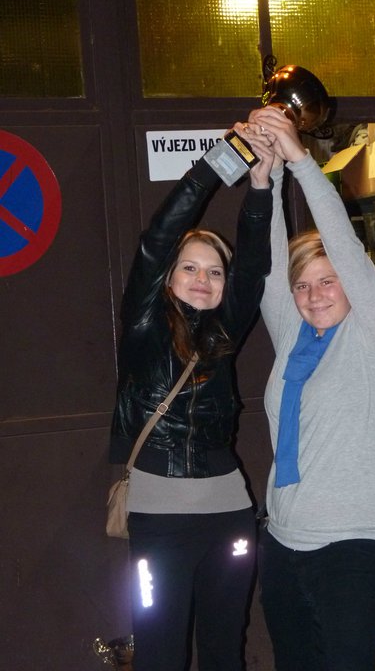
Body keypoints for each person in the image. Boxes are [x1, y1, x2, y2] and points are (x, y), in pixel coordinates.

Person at [243, 106, 375, 671]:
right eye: (304, 286)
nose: (314, 294)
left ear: (352, 282)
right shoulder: (295, 336)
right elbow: (268, 268)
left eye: (328, 281)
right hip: (284, 541)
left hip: (356, 545)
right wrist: (266, 178)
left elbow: (344, 245)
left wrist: (299, 160)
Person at [108, 127, 275, 671]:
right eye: (189, 267)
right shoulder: (143, 326)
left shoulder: (223, 334)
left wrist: (260, 185)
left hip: (230, 514)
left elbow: (254, 268)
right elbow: (158, 237)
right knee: (159, 652)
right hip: (158, 520)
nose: (203, 279)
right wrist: (223, 159)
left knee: (225, 647)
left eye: (214, 271)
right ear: (167, 277)